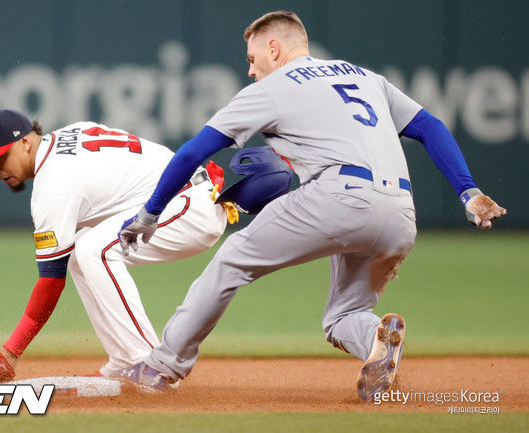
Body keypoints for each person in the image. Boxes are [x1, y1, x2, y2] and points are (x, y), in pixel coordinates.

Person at [116, 10, 507, 400]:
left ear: (274, 47)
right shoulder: (363, 76)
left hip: (338, 196)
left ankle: (160, 367)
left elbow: (191, 153)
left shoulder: (270, 89)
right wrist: (468, 191)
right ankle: (376, 336)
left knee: (233, 257)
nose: (251, 71)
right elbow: (430, 127)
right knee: (343, 317)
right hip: (401, 212)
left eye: (252, 59)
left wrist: (151, 212)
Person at [0, 109, 227, 379]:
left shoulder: (53, 188)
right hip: (183, 196)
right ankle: (125, 359)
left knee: (95, 251)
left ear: (25, 143)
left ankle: (148, 363)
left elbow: (51, 281)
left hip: (190, 205)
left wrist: (11, 350)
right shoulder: (70, 132)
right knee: (81, 252)